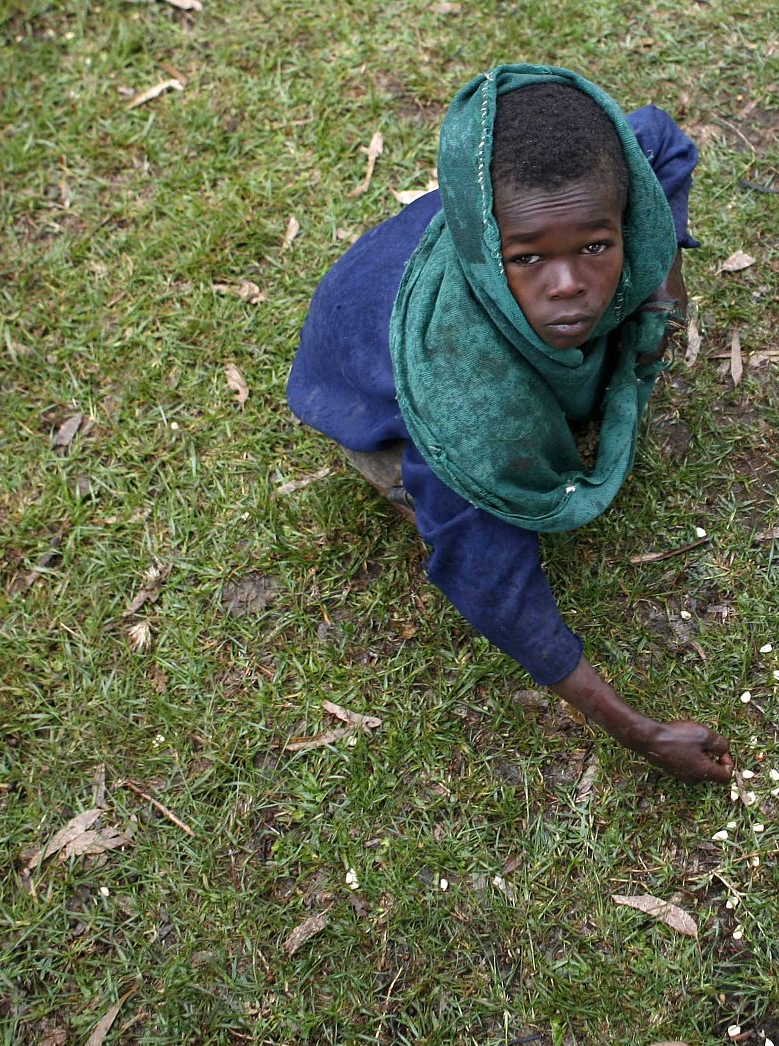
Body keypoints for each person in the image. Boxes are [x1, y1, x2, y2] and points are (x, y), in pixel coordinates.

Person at [287, 64, 733, 783]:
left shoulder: (574, 191)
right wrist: (640, 733)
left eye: (597, 246)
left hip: (434, 262)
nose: (568, 286)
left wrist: (661, 286)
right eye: (527, 259)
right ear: (484, 243)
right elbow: (496, 586)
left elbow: (660, 141)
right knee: (469, 488)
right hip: (369, 381)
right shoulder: (460, 395)